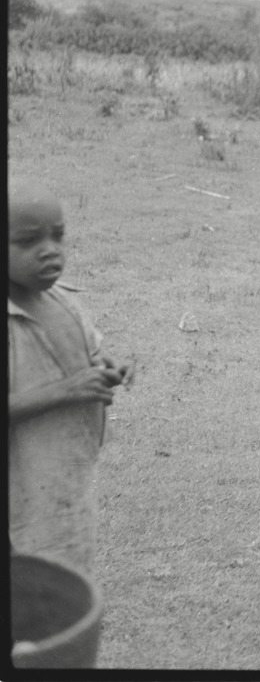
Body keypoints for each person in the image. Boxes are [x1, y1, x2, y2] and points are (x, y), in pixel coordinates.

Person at [8, 179, 135, 579]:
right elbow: (70, 384)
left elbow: (85, 354)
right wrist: (68, 390)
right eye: (28, 241)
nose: (50, 250)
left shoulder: (61, 299)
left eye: (58, 236)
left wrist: (107, 366)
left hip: (64, 471)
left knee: (65, 567)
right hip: (19, 484)